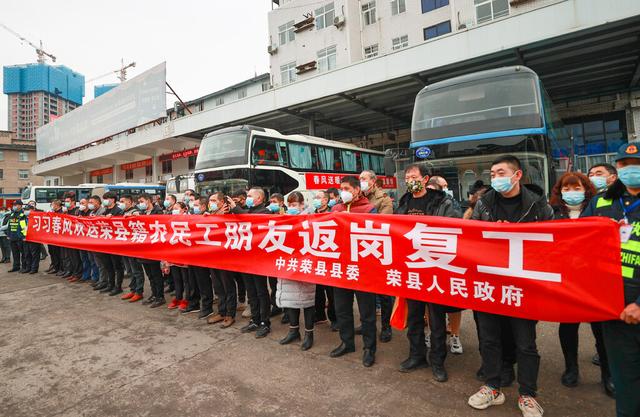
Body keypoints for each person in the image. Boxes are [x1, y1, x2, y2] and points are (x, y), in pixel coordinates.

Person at [467, 155, 553, 417]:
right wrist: (492, 232)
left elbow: (551, 244)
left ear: (517, 176)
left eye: (500, 173)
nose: (495, 178)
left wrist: (516, 235)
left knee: (525, 343)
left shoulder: (538, 205)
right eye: (492, 174)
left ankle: (527, 395)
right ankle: (493, 386)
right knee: (490, 338)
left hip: (522, 285)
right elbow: (470, 239)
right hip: (490, 283)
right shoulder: (484, 204)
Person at [581, 142, 640, 417]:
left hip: (636, 305)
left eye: (637, 164)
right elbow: (575, 240)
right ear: (617, 169)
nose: (631, 169)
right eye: (626, 165)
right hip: (613, 308)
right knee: (626, 380)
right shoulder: (601, 201)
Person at [548, 172, 614, 394]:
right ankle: (571, 368)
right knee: (568, 325)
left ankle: (608, 374)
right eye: (566, 189)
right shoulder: (552, 213)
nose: (571, 193)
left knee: (601, 329)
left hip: (596, 278)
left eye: (576, 188)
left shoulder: (600, 210)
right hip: (566, 279)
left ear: (586, 190)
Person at [395, 164, 459, 383]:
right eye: (407, 177)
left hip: (434, 269)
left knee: (436, 319)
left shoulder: (443, 202)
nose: (409, 180)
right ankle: (416, 355)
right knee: (414, 317)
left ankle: (438, 361)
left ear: (425, 179)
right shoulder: (403, 203)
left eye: (413, 176)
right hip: (412, 269)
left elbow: (454, 229)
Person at [330, 176, 378, 367]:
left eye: (347, 188)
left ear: (357, 190)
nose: (343, 192)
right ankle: (347, 342)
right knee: (342, 309)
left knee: (367, 312)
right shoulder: (335, 210)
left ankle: (369, 348)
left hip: (363, 270)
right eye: (341, 188)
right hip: (341, 269)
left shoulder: (369, 209)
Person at [229, 187, 272, 338]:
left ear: (259, 198)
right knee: (251, 292)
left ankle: (265, 323)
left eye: (249, 196)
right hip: (245, 259)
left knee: (261, 292)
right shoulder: (247, 210)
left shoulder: (264, 212)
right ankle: (255, 319)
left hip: (259, 260)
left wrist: (236, 209)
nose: (246, 198)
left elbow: (249, 219)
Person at [276, 191, 316, 351]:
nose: (291, 208)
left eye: (294, 205)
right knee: (290, 299)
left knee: (307, 301)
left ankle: (309, 334)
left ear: (302, 205)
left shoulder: (311, 218)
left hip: (305, 263)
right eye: (289, 205)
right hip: (288, 262)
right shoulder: (285, 219)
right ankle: (293, 331)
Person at [359, 169, 394, 343]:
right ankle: (367, 323)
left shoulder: (383, 199)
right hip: (361, 251)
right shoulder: (357, 198)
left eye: (364, 178)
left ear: (373, 181)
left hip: (379, 251)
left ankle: (386, 326)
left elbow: (384, 224)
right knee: (366, 291)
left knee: (384, 293)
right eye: (359, 179)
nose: (361, 181)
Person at [205, 193, 237, 328]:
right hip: (213, 255)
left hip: (226, 256)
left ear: (221, 202)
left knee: (228, 285)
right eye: (210, 200)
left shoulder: (229, 214)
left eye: (213, 200)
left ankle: (230, 314)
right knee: (217, 286)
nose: (210, 202)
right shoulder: (209, 214)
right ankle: (221, 311)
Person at [135, 193, 167, 308]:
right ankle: (154, 294)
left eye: (142, 201)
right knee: (150, 275)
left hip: (154, 249)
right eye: (139, 202)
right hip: (143, 249)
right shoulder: (142, 213)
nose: (140, 204)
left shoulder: (158, 211)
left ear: (148, 201)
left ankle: (160, 296)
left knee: (156, 274)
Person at [312, 190, 337, 330]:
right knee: (317, 290)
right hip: (315, 257)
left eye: (319, 197)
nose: (316, 199)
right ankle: (320, 315)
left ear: (326, 200)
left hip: (329, 258)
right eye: (315, 196)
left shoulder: (332, 213)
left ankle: (334, 318)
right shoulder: (311, 214)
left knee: (331, 292)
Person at [95, 192, 125, 295]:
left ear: (112, 199)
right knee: (108, 265)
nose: (105, 201)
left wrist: (110, 220)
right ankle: (110, 284)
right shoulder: (105, 210)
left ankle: (118, 286)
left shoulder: (118, 211)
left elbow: (121, 226)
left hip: (115, 243)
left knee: (117, 266)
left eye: (106, 198)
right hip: (105, 242)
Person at [119, 194, 146, 303]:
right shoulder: (123, 213)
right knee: (130, 270)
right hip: (126, 245)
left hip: (135, 246)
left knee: (137, 270)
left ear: (129, 202)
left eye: (123, 201)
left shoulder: (135, 212)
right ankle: (133, 289)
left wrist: (133, 217)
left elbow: (140, 222)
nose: (120, 203)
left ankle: (139, 292)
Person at [7, 200, 27, 273]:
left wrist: (23, 236)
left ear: (20, 206)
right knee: (15, 253)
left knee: (23, 253)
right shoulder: (12, 214)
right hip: (12, 237)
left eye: (16, 205)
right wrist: (8, 234)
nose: (14, 206)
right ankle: (16, 266)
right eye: (14, 205)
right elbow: (9, 225)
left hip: (20, 237)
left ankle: (24, 267)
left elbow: (24, 227)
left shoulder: (23, 214)